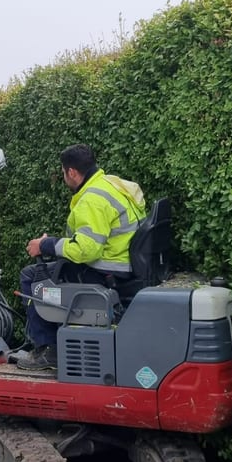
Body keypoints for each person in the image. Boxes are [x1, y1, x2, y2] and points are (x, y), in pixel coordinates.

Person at [15, 144, 146, 370]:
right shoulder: (111, 185)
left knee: (31, 277)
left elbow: (87, 250)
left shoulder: (91, 200)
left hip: (105, 272)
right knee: (52, 267)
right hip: (123, 262)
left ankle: (48, 350)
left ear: (72, 172)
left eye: (64, 172)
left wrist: (44, 244)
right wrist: (52, 244)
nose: (64, 177)